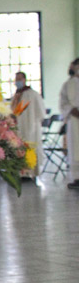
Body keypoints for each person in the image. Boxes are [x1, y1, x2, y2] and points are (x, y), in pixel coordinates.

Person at [11, 71, 46, 179]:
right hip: (18, 127)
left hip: (31, 127)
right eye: (16, 79)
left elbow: (41, 112)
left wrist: (34, 122)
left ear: (24, 80)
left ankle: (31, 173)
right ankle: (20, 172)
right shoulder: (16, 95)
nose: (17, 81)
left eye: (19, 79)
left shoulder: (33, 94)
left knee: (30, 148)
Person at [59, 58, 79, 189]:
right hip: (74, 119)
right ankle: (77, 177)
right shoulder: (68, 84)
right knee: (75, 148)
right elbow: (63, 102)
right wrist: (72, 110)